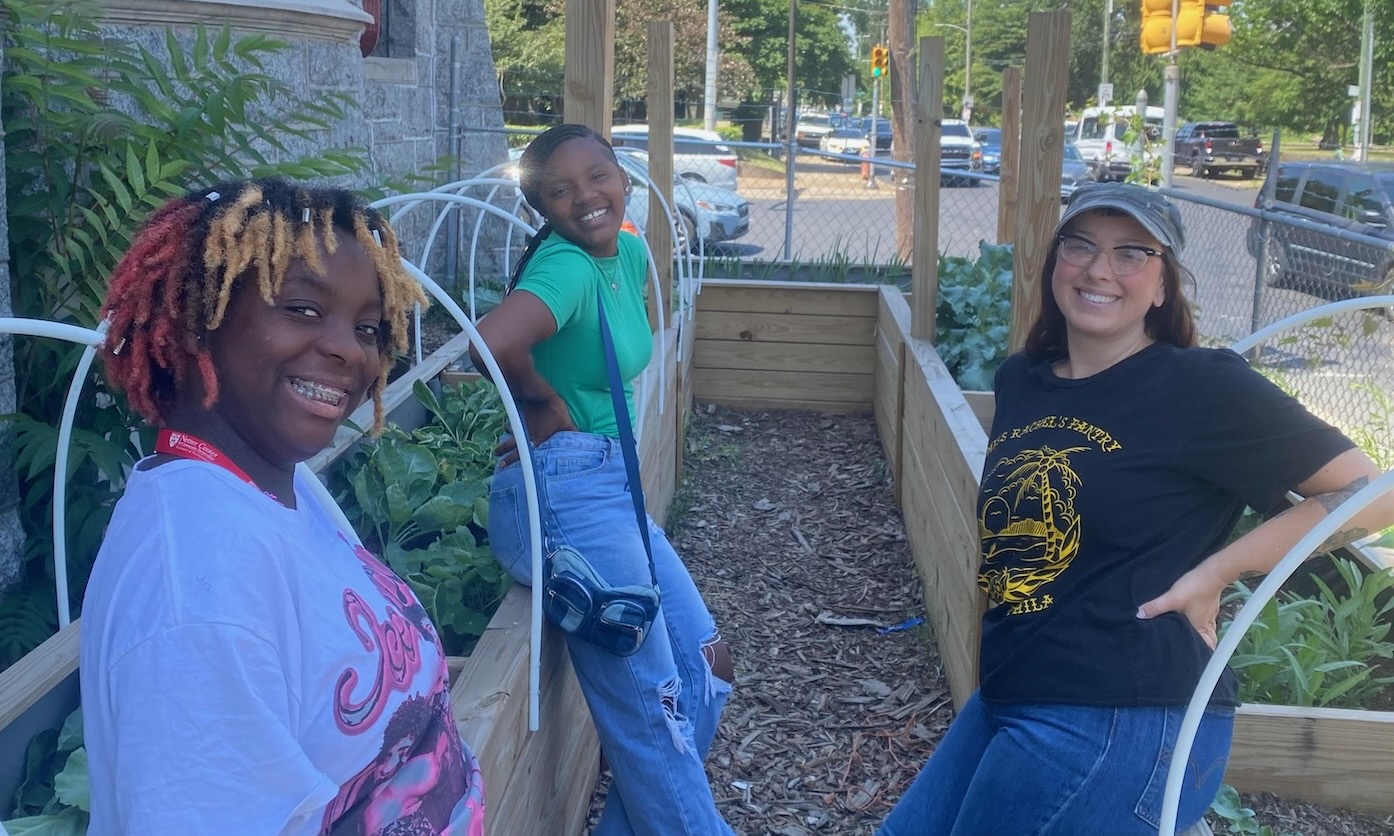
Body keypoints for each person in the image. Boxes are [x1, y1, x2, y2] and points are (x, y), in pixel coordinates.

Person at [878, 182, 1394, 836]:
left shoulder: (1199, 386)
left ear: (1162, 284)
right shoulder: (1022, 380)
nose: (1099, 270)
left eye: (1131, 253)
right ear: (1053, 262)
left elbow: (1374, 493)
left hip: (1124, 714)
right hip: (1014, 689)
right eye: (1081, 246)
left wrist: (1219, 572)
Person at [81, 178, 485, 834]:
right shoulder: (196, 589)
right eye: (302, 308)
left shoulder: (267, 489)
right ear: (197, 318)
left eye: (367, 328)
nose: (349, 350)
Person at [472, 123, 737, 836]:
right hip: (567, 495)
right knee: (654, 700)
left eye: (598, 176)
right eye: (560, 190)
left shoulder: (622, 248)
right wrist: (540, 401)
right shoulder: (565, 265)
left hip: (607, 488)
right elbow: (492, 343)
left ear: (621, 178)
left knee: (703, 669)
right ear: (543, 207)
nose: (586, 196)